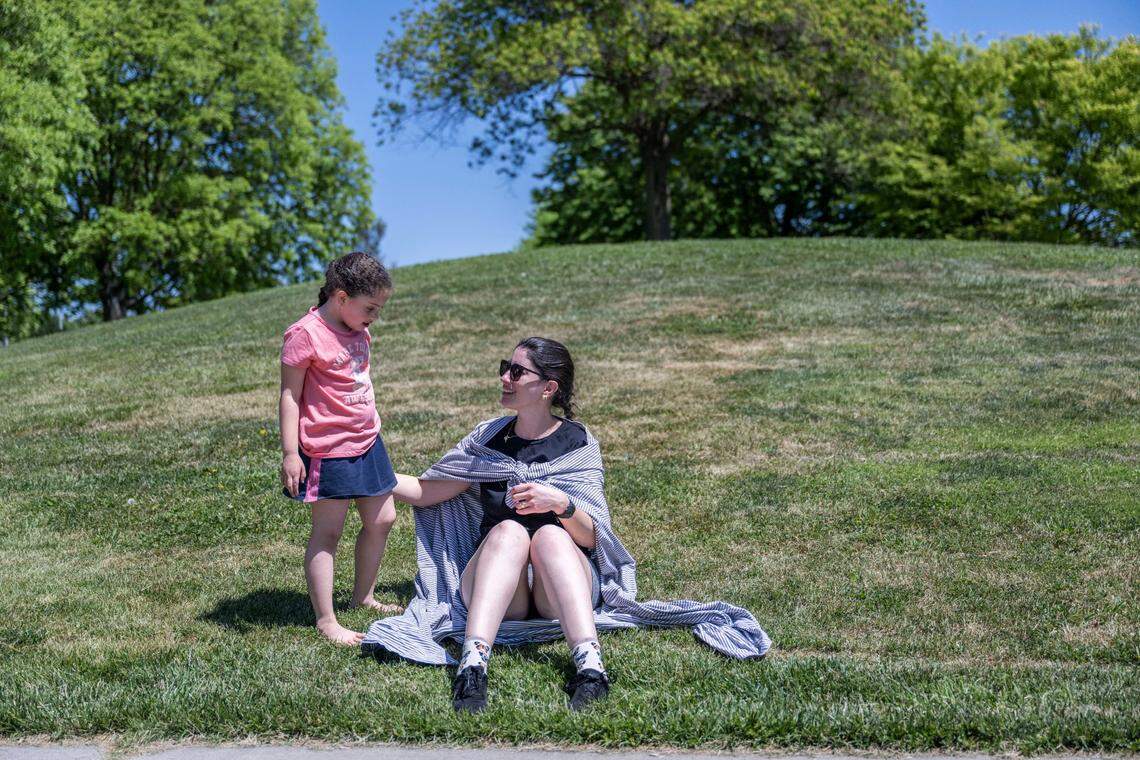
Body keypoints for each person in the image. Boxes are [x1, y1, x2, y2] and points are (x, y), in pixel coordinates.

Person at [389, 337, 609, 711]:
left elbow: (593, 538)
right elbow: (427, 492)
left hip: (560, 590)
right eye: (506, 367)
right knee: (508, 532)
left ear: (548, 388)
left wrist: (562, 504)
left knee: (550, 535)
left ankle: (591, 670)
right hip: (502, 592)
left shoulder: (578, 442)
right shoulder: (488, 439)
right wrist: (362, 473)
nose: (505, 377)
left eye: (517, 371)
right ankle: (472, 668)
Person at [279, 252, 401, 646]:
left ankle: (363, 597)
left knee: (383, 519)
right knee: (327, 533)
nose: (375, 317)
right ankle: (327, 620)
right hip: (327, 448)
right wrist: (291, 453)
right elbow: (290, 396)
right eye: (371, 308)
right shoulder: (304, 334)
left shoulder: (358, 328)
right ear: (341, 297)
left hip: (368, 440)